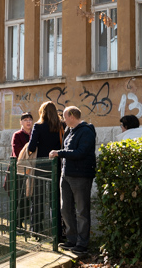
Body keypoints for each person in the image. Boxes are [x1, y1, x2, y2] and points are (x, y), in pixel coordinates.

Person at [50, 106, 97, 258]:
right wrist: (61, 153)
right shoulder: (69, 130)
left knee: (82, 210)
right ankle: (72, 239)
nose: (63, 120)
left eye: (64, 117)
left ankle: (82, 244)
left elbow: (81, 152)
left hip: (81, 176)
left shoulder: (86, 131)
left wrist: (59, 153)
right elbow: (67, 149)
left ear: (71, 116)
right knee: (65, 208)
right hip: (66, 174)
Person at [27, 101, 65, 233]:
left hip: (41, 166)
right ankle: (57, 229)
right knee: (56, 197)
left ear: (42, 113)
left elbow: (31, 147)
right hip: (57, 165)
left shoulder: (38, 126)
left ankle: (36, 228)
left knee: (38, 197)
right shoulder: (61, 126)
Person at [9, 112, 34, 229]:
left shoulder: (34, 134)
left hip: (31, 170)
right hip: (19, 170)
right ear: (21, 122)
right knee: (19, 197)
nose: (28, 122)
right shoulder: (17, 135)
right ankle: (17, 224)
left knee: (28, 197)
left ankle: (25, 221)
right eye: (25, 120)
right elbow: (17, 151)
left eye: (30, 120)